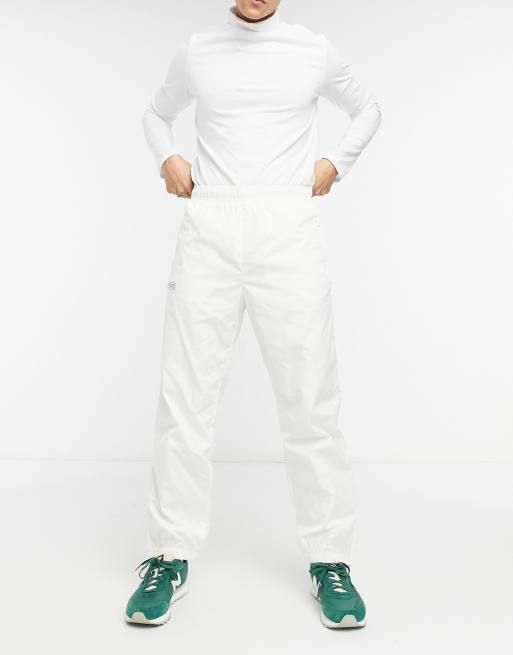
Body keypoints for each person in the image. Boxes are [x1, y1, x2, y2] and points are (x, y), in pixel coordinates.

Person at [125, 0, 382, 629]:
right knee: (185, 398)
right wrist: (167, 158)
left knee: (310, 400)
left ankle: (330, 558)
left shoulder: (312, 50)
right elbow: (156, 114)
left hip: (286, 228)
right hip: (210, 225)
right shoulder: (198, 51)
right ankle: (169, 553)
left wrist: (335, 163)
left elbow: (368, 109)